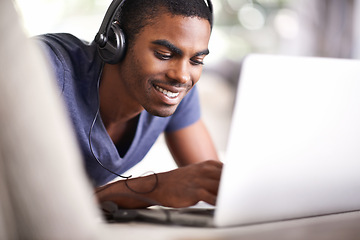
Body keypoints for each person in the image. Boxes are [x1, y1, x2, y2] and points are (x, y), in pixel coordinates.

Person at [36, 0, 222, 209]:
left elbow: (212, 184)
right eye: (164, 55)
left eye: (196, 61)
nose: (181, 75)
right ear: (116, 43)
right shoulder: (42, 67)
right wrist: (149, 189)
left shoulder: (175, 91)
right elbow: (21, 201)